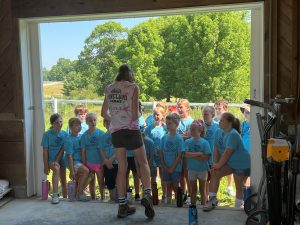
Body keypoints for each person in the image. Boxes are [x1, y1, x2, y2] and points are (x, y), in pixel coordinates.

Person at [101, 64, 155, 219]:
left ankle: (122, 204)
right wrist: (137, 112)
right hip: (132, 130)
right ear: (130, 74)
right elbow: (134, 114)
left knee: (122, 167)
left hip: (117, 132)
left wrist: (115, 120)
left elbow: (103, 112)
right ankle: (146, 194)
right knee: (143, 163)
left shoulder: (109, 88)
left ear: (118, 74)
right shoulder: (133, 87)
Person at [203, 112, 250, 211]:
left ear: (229, 123)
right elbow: (216, 148)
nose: (219, 122)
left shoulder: (233, 134)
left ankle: (238, 208)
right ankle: (212, 200)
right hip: (230, 163)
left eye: (222, 121)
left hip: (241, 164)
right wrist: (215, 164)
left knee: (239, 187)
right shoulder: (218, 132)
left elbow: (228, 152)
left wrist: (219, 164)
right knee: (215, 173)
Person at [41, 113, 68, 204]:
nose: (59, 124)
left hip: (61, 159)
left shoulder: (64, 134)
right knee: (56, 169)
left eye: (61, 122)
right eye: (57, 122)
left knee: (64, 180)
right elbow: (45, 151)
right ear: (52, 124)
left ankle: (65, 197)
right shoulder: (47, 135)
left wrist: (57, 160)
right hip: (50, 160)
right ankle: (55, 195)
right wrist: (46, 166)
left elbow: (63, 149)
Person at [159, 113, 184, 204]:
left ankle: (178, 201)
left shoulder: (179, 139)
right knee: (168, 185)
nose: (167, 125)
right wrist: (164, 165)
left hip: (176, 168)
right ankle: (168, 202)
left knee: (175, 185)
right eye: (167, 123)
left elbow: (179, 155)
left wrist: (172, 167)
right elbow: (161, 152)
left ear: (176, 125)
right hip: (166, 167)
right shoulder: (164, 138)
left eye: (170, 123)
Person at [185, 120, 211, 205]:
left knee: (202, 190)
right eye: (190, 129)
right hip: (191, 169)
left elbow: (207, 157)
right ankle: (193, 207)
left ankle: (203, 206)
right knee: (193, 191)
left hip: (202, 169)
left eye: (193, 129)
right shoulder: (188, 142)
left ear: (199, 131)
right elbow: (185, 154)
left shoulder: (205, 142)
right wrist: (198, 154)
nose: (191, 131)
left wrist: (192, 155)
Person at [144, 106, 168, 201]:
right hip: (152, 157)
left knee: (163, 176)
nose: (156, 116)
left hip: (162, 156)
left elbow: (168, 140)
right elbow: (145, 139)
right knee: (153, 176)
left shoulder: (166, 128)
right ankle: (151, 195)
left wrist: (161, 149)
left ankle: (165, 195)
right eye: (154, 114)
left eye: (158, 114)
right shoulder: (149, 128)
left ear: (162, 116)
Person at [65, 117, 90, 201]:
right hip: (73, 162)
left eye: (79, 125)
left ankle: (77, 193)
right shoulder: (69, 139)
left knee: (90, 175)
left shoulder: (81, 136)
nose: (79, 127)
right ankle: (79, 195)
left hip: (80, 161)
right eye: (76, 125)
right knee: (86, 171)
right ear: (71, 127)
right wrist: (72, 171)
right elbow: (69, 156)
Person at [81, 112, 105, 200]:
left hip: (99, 162)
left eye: (94, 120)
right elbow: (83, 151)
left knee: (101, 181)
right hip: (89, 163)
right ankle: (93, 197)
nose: (93, 122)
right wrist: (84, 163)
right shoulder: (84, 136)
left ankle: (102, 197)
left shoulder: (101, 134)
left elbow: (104, 149)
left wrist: (103, 161)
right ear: (86, 122)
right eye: (90, 121)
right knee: (91, 181)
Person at [213, 99, 235, 196]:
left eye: (219, 108)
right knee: (217, 169)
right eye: (216, 108)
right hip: (218, 147)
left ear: (225, 109)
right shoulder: (214, 121)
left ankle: (230, 186)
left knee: (229, 166)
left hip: (227, 148)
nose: (217, 110)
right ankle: (214, 193)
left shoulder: (230, 121)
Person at [177, 98, 193, 203]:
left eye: (181, 107)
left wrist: (178, 136)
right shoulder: (176, 120)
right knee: (180, 174)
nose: (179, 109)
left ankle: (191, 195)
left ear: (187, 108)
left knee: (187, 174)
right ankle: (183, 193)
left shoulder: (191, 122)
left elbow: (189, 136)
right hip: (177, 152)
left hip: (187, 152)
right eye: (178, 107)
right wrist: (181, 136)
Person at [99, 119, 118, 202]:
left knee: (117, 181)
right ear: (104, 124)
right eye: (107, 122)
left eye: (111, 122)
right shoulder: (103, 136)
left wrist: (111, 160)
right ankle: (112, 199)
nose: (109, 124)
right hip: (106, 163)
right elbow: (101, 149)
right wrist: (106, 161)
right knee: (110, 182)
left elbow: (119, 149)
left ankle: (118, 199)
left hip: (116, 162)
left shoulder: (117, 135)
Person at [202, 106, 219, 195]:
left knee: (213, 177)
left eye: (206, 114)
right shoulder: (201, 126)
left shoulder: (217, 126)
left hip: (214, 157)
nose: (204, 116)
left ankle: (212, 195)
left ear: (212, 115)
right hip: (204, 157)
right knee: (205, 178)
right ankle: (205, 196)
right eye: (203, 114)